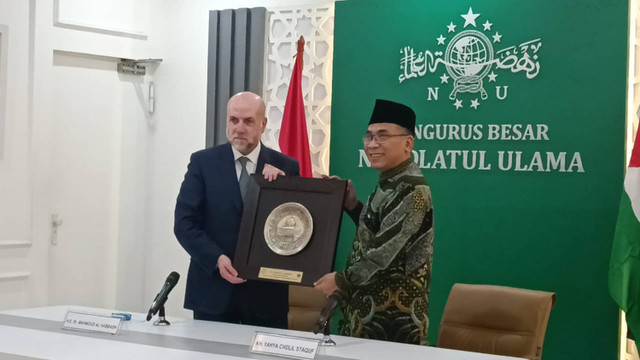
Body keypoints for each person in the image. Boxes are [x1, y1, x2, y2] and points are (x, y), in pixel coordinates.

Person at [174, 91, 299, 328]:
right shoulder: (203, 163)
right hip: (213, 292)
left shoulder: (286, 167)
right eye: (233, 120)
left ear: (263, 124)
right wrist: (216, 258)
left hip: (266, 296)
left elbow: (295, 230)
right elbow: (184, 223)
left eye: (248, 121)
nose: (239, 128)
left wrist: (284, 189)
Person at [314, 99, 434, 344]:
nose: (373, 144)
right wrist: (352, 205)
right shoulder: (390, 182)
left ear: (408, 143)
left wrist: (340, 280)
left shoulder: (412, 191)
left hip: (393, 321)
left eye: (382, 136)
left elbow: (384, 252)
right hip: (368, 314)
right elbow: (379, 233)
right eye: (369, 136)